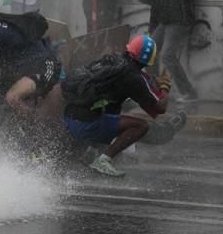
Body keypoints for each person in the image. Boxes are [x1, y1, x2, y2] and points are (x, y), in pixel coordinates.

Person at [62, 34, 169, 177]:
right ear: (147, 62)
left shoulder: (111, 60)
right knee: (141, 126)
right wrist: (165, 86)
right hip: (85, 125)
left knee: (113, 109)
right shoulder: (133, 77)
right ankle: (103, 160)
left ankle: (90, 152)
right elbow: (160, 108)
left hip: (69, 117)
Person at [130, 0, 198, 102]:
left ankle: (189, 93)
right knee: (148, 53)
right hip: (168, 19)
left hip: (178, 20)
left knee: (167, 55)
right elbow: (160, 2)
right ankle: (153, 89)